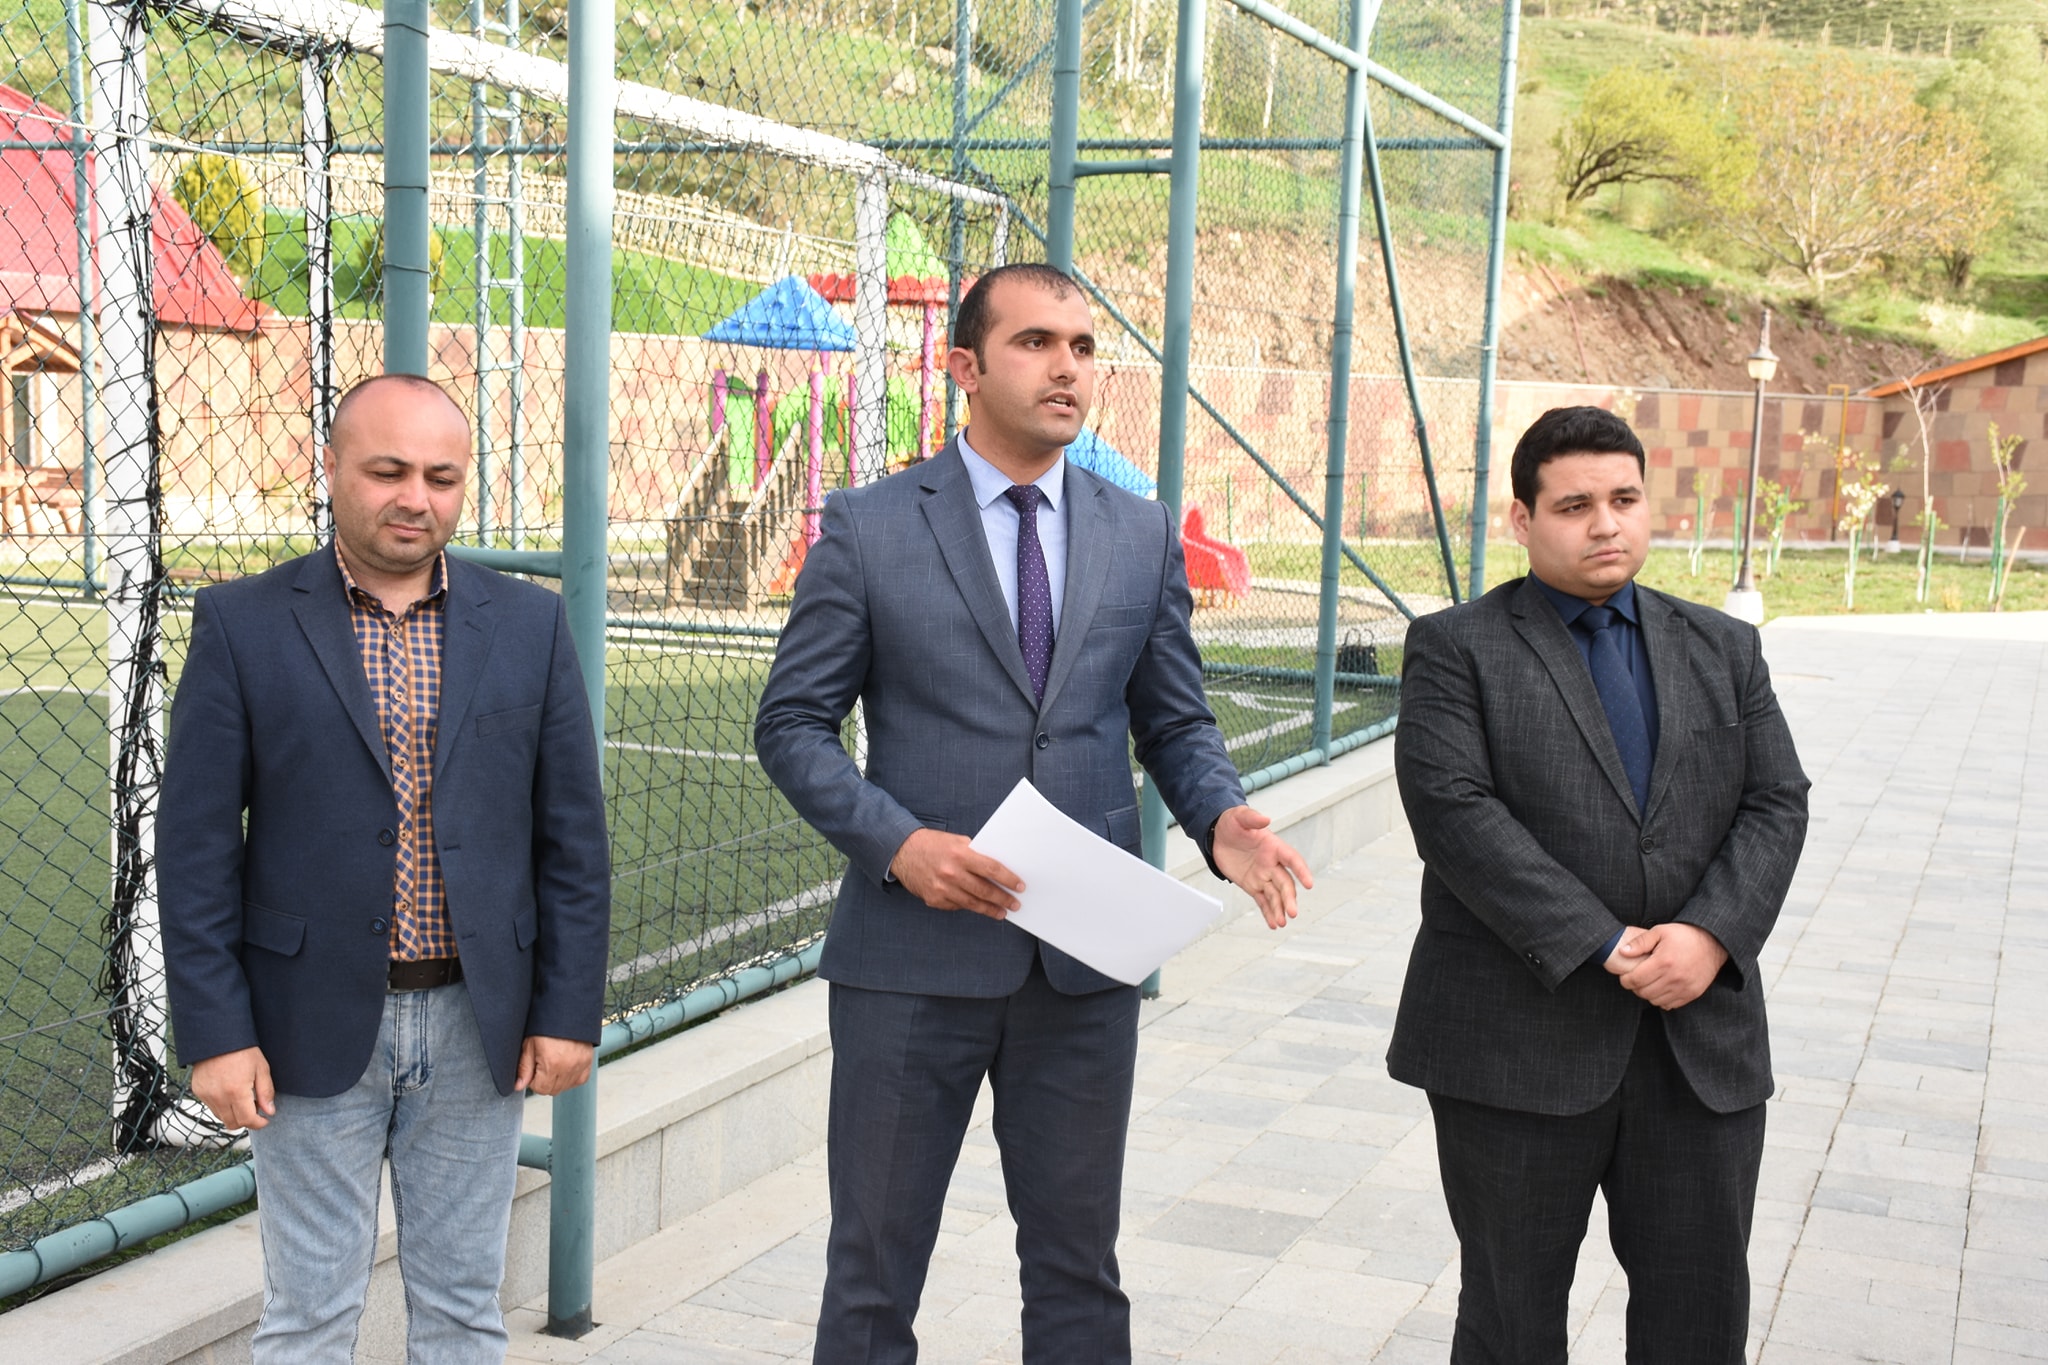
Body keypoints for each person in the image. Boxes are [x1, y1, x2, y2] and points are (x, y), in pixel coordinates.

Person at [754, 262, 1313, 1364]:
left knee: (1077, 1271)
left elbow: (1175, 721)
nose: (1066, 367)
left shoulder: (1139, 531)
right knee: (872, 1279)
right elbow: (791, 725)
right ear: (965, 367)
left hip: (1080, 968)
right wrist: (898, 845)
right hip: (909, 962)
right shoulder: (869, 526)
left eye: (1083, 347)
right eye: (1035, 343)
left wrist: (1220, 820)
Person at [159, 373, 611, 1363]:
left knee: (463, 1313)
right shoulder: (242, 623)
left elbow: (573, 838)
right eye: (388, 471)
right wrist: (218, 1033)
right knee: (309, 1317)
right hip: (306, 1024)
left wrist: (569, 1010)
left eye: (441, 477)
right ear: (329, 468)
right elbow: (195, 849)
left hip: (479, 1025)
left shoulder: (527, 625)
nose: (416, 498)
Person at [1389, 405, 1810, 1364]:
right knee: (1511, 1320)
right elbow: (1454, 812)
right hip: (1515, 1046)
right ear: (1523, 519)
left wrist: (1710, 934)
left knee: (1700, 1317)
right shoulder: (1457, 648)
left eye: (1624, 498)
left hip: (1696, 1046)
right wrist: (1605, 942)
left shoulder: (1723, 647)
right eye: (1575, 505)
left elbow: (1777, 800)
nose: (1607, 524)